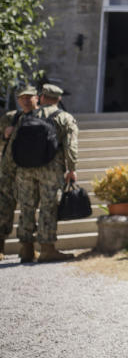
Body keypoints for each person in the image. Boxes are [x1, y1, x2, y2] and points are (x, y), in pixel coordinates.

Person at [11, 84, 76, 263]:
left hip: (24, 168)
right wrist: (72, 168)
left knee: (26, 206)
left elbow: (14, 144)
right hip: (51, 168)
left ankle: (26, 249)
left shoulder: (27, 116)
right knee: (48, 206)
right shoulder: (64, 117)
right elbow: (71, 145)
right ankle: (47, 249)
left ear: (41, 97)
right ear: (59, 99)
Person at [0, 87, 37, 261]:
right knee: (3, 207)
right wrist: (5, 134)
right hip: (8, 171)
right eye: (22, 98)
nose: (26, 100)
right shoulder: (11, 117)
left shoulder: (42, 117)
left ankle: (27, 248)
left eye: (29, 97)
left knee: (28, 209)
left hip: (29, 171)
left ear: (37, 98)